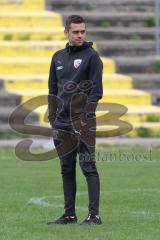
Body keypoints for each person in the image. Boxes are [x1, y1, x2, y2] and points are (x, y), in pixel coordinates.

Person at [47, 15, 103, 225]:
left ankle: (94, 215)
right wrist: (53, 119)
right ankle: (69, 215)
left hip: (83, 122)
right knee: (66, 168)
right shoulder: (57, 57)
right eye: (76, 32)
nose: (80, 35)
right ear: (66, 32)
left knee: (88, 166)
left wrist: (84, 119)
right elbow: (53, 90)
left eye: (83, 31)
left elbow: (96, 91)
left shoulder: (92, 57)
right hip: (61, 123)